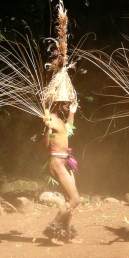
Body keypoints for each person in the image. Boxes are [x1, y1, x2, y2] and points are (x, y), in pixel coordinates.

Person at [42, 100, 81, 245]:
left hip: (65, 161)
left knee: (69, 200)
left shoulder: (59, 120)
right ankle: (52, 230)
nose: (67, 107)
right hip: (57, 162)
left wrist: (72, 112)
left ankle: (65, 235)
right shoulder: (50, 120)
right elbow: (44, 145)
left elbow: (67, 130)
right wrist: (47, 129)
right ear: (57, 103)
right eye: (66, 105)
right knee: (75, 200)